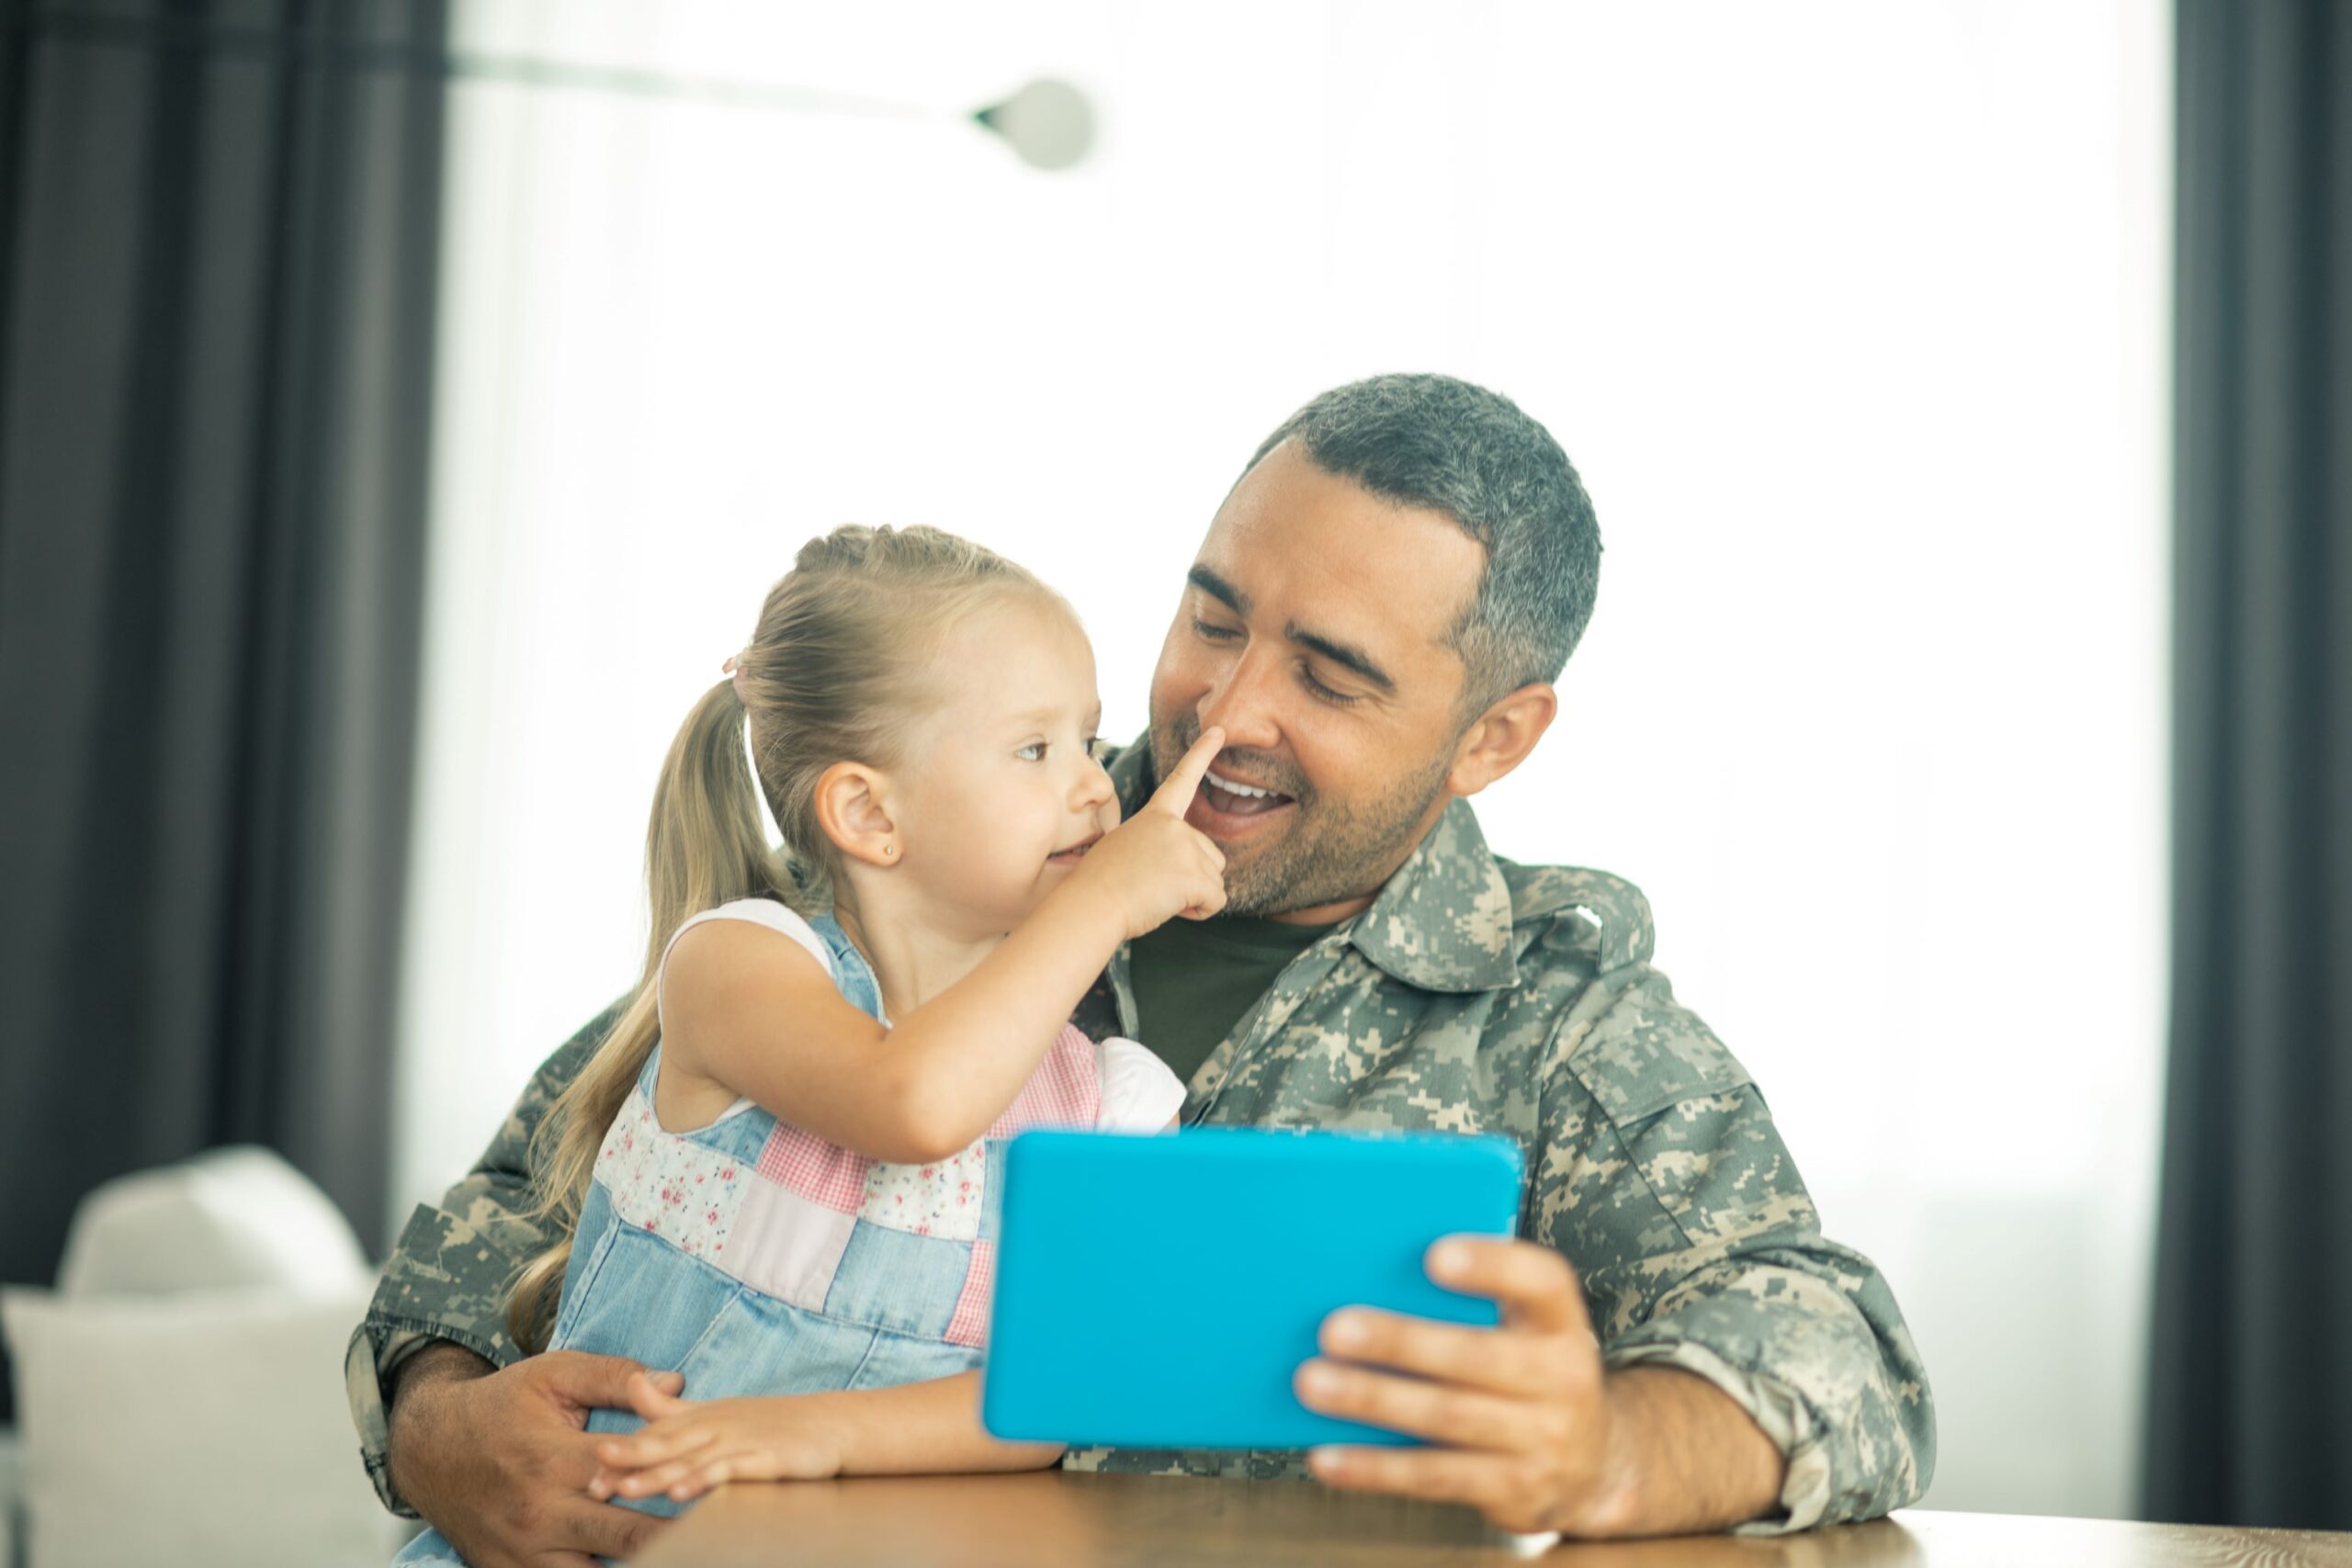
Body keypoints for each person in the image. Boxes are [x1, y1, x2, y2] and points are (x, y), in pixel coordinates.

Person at [348, 375, 1935, 1564]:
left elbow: (1840, 1353)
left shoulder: (1559, 1016)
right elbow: (498, 1221)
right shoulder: (939, 846)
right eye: (1212, 617)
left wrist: (1600, 1452)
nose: (1224, 711)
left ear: (1493, 737)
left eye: (1329, 674)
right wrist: (443, 1427)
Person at [390, 524, 1235, 1563]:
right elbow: (913, 1108)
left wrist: (804, 1436)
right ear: (867, 814)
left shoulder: (1105, 1100)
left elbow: (1042, 1399)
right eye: (1035, 748)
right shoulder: (740, 966)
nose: (1099, 785)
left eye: (1089, 736)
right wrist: (1104, 900)